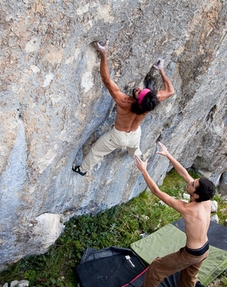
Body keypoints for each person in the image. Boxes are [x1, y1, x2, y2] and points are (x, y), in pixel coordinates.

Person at [72, 41, 175, 176]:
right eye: (142, 90)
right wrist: (161, 70)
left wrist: (103, 54)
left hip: (117, 137)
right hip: (134, 135)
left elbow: (107, 80)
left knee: (97, 151)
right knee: (135, 149)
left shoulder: (124, 102)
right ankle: (138, 158)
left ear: (138, 101)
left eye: (139, 93)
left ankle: (83, 170)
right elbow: (170, 91)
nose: (138, 89)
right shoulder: (150, 103)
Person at [134, 142, 216, 287]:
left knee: (156, 268)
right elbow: (184, 173)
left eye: (193, 184)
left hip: (191, 253)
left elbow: (157, 192)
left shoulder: (188, 209)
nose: (190, 182)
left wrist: (143, 170)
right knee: (188, 279)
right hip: (204, 250)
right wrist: (168, 155)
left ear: (196, 195)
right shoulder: (206, 200)